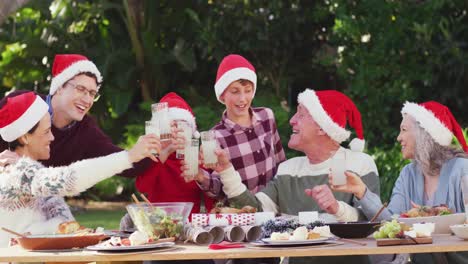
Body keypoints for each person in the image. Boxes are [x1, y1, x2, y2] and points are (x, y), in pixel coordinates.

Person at [186, 89, 380, 264]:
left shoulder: (359, 163)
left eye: (301, 114)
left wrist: (337, 208)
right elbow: (254, 210)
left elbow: (371, 222)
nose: (292, 120)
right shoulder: (289, 169)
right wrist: (226, 170)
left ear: (322, 127)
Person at [0, 92, 160, 247]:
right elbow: (70, 179)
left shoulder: (34, 175)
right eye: (46, 131)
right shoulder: (16, 172)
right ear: (25, 137)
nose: (52, 138)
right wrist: (129, 157)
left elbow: (66, 227)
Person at [331, 101, 468, 264]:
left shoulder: (462, 169)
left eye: (404, 130)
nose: (398, 137)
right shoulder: (407, 174)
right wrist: (362, 191)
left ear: (424, 134)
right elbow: (391, 223)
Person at [0, 54, 151, 177]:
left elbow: (122, 164)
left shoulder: (85, 130)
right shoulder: (22, 104)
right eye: (81, 89)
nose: (87, 100)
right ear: (59, 87)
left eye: (92, 93)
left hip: (42, 204)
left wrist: (160, 146)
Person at [192, 54, 286, 200]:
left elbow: (281, 162)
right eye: (235, 91)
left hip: (274, 209)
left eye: (247, 90)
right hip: (242, 214)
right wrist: (200, 176)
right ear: (222, 95)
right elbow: (218, 190)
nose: (242, 99)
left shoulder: (267, 116)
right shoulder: (215, 136)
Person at [119, 92, 215, 231]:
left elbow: (212, 198)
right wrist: (165, 152)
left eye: (182, 126)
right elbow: (142, 188)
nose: (177, 132)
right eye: (172, 126)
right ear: (160, 130)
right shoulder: (154, 158)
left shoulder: (197, 157)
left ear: (192, 131)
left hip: (192, 227)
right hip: (158, 226)